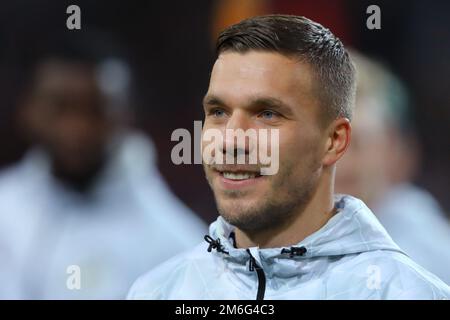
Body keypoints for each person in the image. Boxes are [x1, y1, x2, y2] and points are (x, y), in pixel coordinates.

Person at [127, 15, 450, 299]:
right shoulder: (157, 291)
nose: (231, 139)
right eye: (218, 111)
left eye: (267, 113)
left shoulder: (409, 290)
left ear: (335, 141)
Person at [0, 41, 206, 299]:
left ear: (125, 114)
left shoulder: (176, 245)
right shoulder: (5, 211)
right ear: (28, 110)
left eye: (95, 109)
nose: (77, 129)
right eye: (60, 107)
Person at [336, 51, 450, 284]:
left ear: (391, 151)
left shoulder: (422, 239)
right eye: (331, 143)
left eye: (357, 144)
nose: (341, 163)